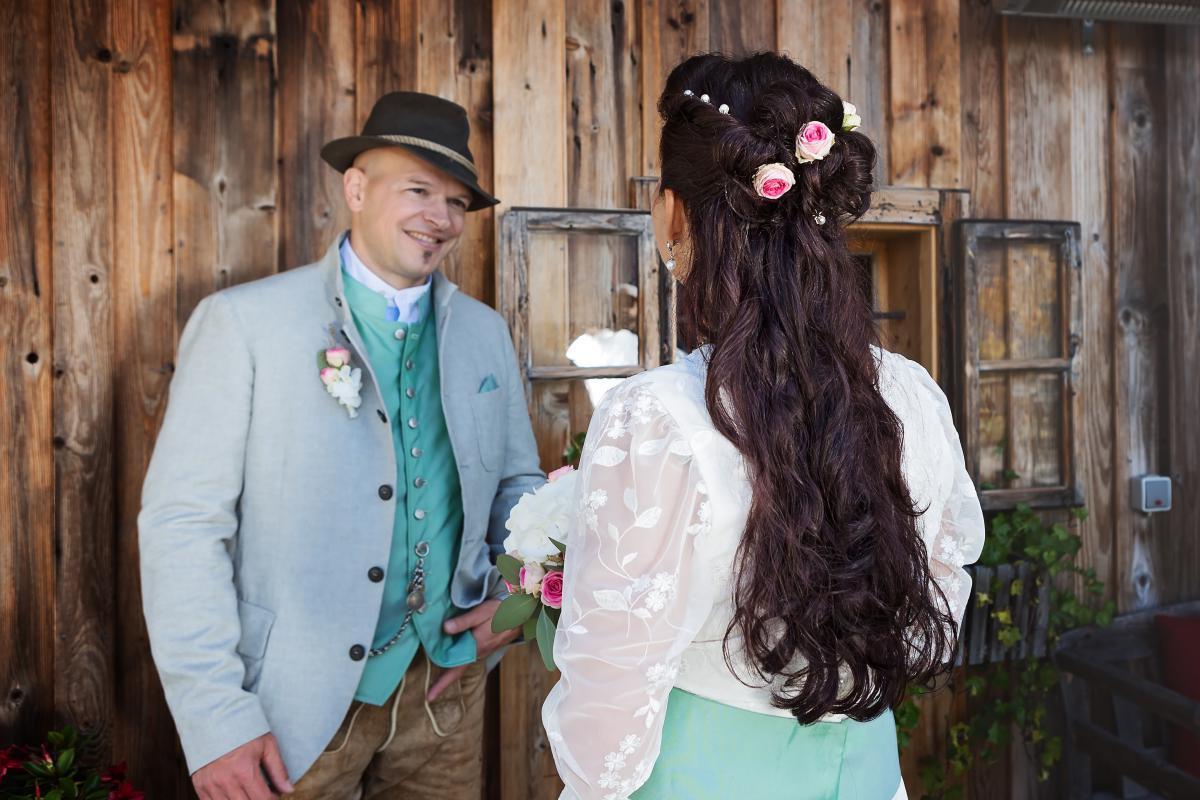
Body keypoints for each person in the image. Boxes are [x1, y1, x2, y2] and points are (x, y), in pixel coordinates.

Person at [542, 53, 985, 799]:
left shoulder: (657, 418)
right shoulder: (912, 395)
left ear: (672, 213)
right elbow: (941, 582)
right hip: (866, 767)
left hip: (698, 773)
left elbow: (607, 699)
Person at [139, 91, 543, 800]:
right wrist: (216, 720)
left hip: (443, 692)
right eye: (418, 190)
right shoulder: (244, 325)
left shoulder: (485, 335)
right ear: (356, 188)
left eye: (456, 202)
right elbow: (182, 528)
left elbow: (519, 488)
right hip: (289, 705)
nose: (441, 218)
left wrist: (513, 604)